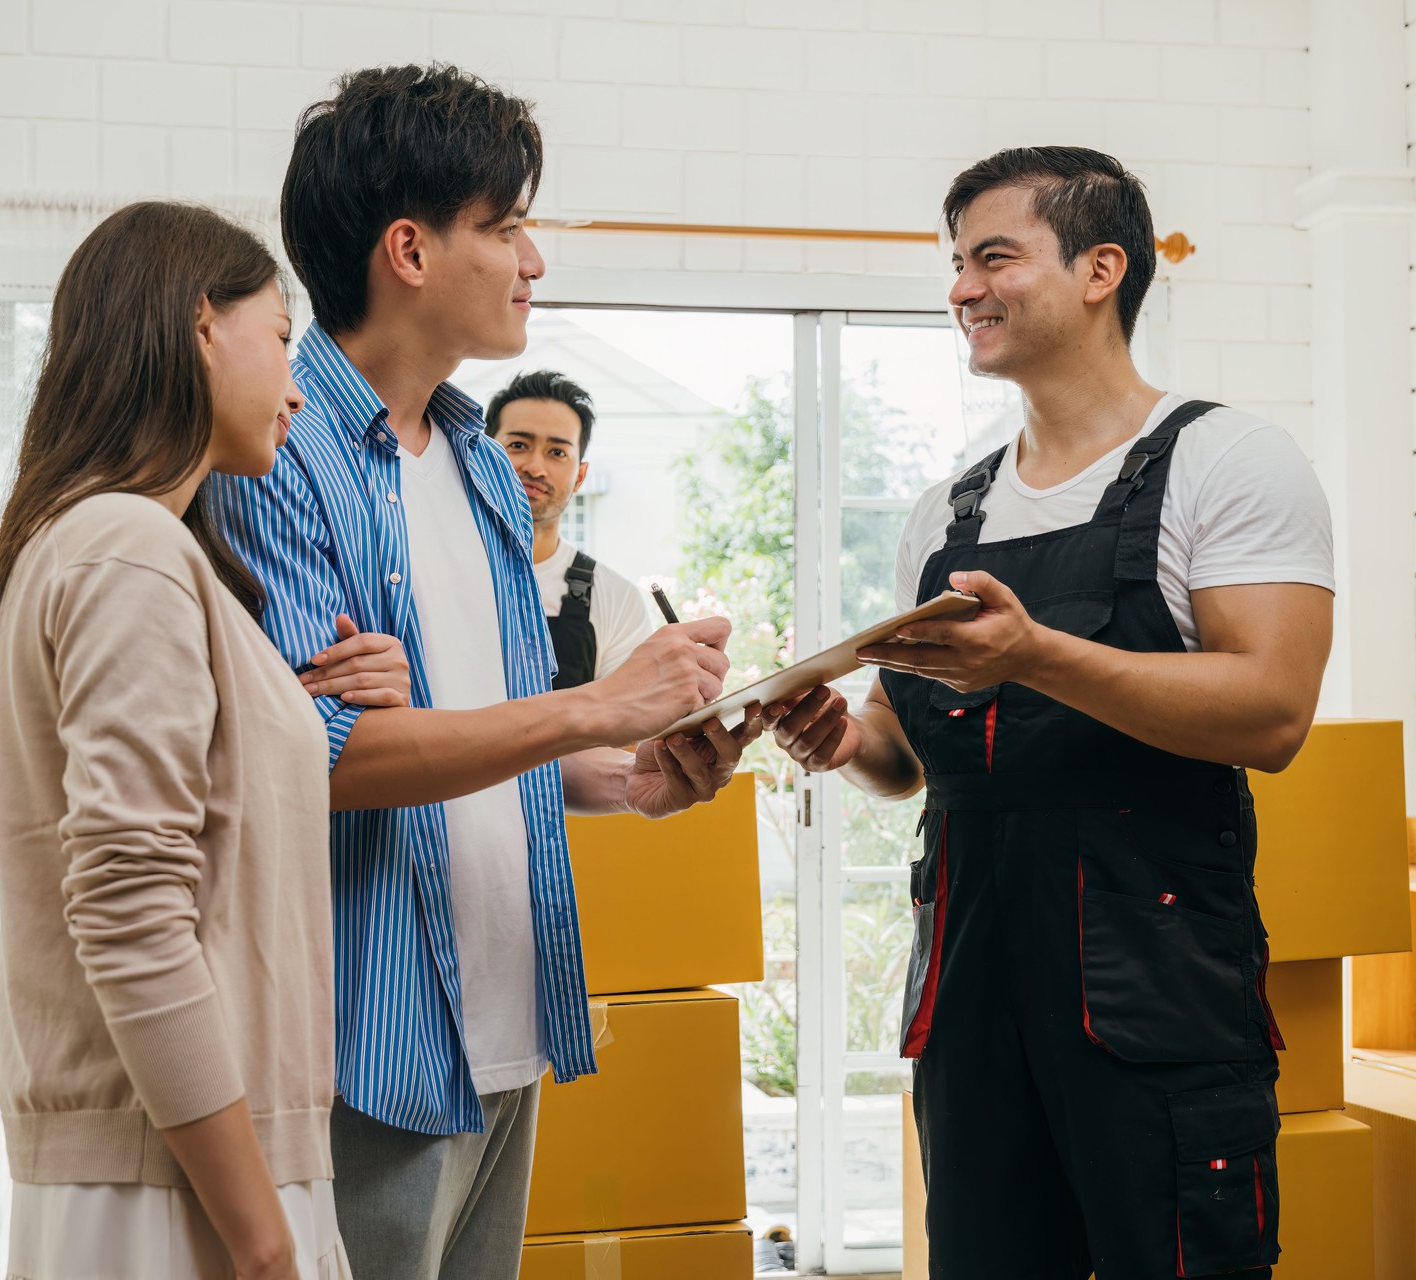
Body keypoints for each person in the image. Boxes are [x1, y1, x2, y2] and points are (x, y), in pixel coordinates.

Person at [203, 65, 761, 1280]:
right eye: (505, 226)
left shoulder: (483, 467)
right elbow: (324, 763)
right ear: (408, 248)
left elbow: (489, 747)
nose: (533, 259)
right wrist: (596, 703)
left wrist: (635, 775)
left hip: (511, 1019)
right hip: (370, 1045)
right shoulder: (276, 458)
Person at [764, 147, 1335, 1279]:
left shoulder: (1228, 461)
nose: (963, 289)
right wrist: (844, 740)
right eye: (957, 265)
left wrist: (1033, 655)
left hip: (1158, 1003)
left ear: (1099, 269)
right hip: (972, 1004)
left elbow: (1271, 710)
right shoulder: (947, 511)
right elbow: (906, 754)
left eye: (994, 257)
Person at [0, 202, 410, 1280]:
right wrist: (258, 1239)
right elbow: (130, 909)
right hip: (183, 1175)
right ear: (203, 322)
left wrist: (297, 711)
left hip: (188, 1156)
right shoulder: (128, 547)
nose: (297, 387)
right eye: (283, 339)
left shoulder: (123, 547)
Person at [484, 369, 656, 688]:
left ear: (580, 476)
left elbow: (627, 730)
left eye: (558, 452)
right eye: (518, 444)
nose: (535, 467)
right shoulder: (435, 574)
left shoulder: (618, 600)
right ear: (482, 455)